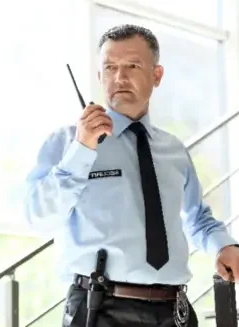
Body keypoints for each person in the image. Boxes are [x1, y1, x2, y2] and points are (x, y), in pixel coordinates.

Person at [23, 24, 239, 327]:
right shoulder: (68, 142)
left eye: (132, 66)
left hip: (175, 312)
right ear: (99, 77)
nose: (119, 77)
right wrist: (82, 150)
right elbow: (37, 216)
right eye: (109, 67)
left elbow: (197, 218)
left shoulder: (174, 150)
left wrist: (222, 245)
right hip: (100, 310)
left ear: (157, 75)